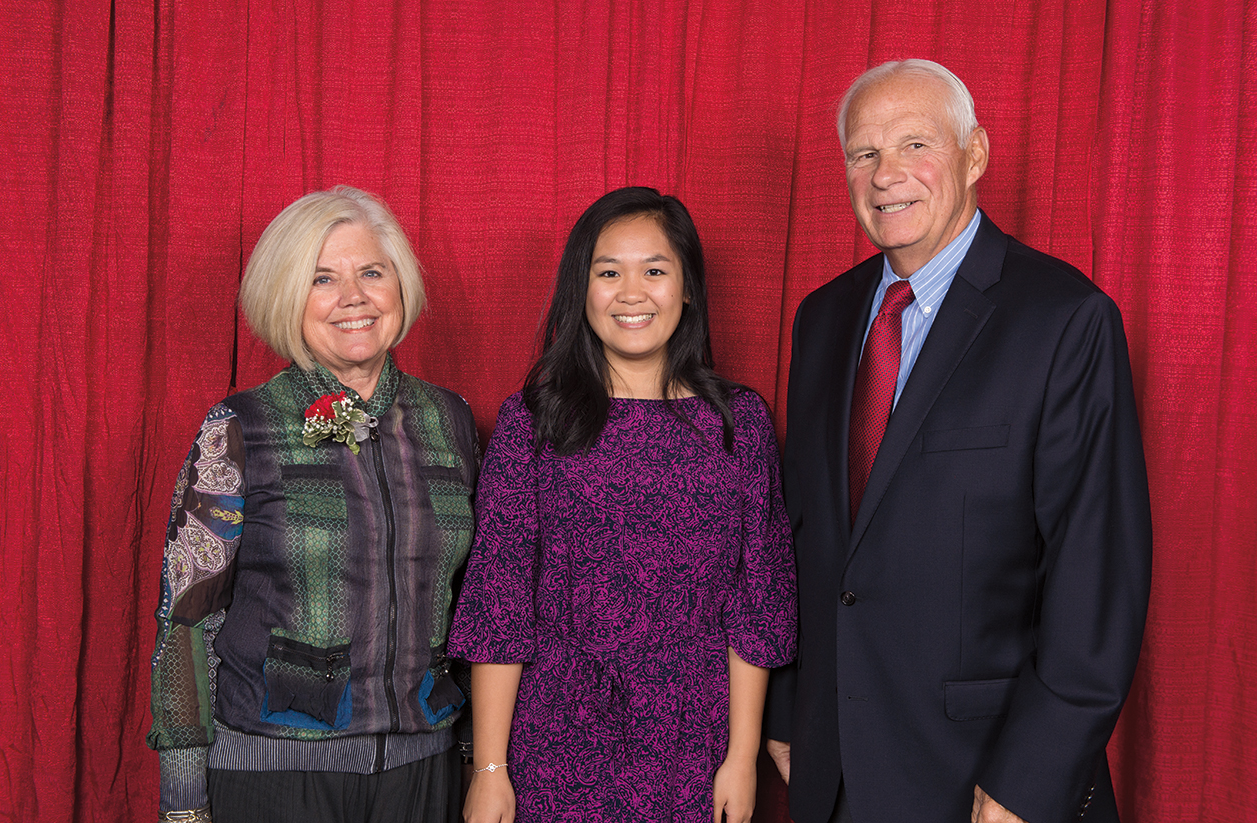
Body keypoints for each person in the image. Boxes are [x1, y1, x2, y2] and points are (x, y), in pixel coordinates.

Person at [764, 60, 1153, 823]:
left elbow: (1096, 574)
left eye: (915, 145)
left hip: (986, 781)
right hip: (832, 766)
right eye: (864, 153)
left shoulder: (1065, 320)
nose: (887, 176)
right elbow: (801, 534)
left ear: (975, 155)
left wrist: (1027, 781)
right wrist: (786, 711)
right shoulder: (823, 319)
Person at [447, 186, 797, 823]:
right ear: (582, 291)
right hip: (554, 742)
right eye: (608, 273)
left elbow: (759, 601)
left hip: (697, 744)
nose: (631, 293)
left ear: (687, 287)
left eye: (655, 271)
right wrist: (490, 769)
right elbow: (501, 602)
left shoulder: (738, 425)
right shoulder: (533, 424)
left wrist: (741, 758)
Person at [147, 186, 479, 823]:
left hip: (423, 770)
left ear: (400, 286)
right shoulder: (239, 427)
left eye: (371, 273)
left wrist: (474, 756)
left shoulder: (450, 420)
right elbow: (186, 618)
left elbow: (474, 600)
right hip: (275, 774)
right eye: (322, 278)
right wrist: (184, 799)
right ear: (286, 297)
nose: (353, 297)